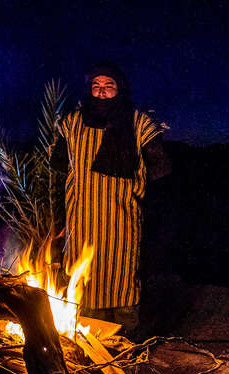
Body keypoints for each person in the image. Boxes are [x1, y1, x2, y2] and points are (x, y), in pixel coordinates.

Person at [51, 61, 171, 335]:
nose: (102, 93)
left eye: (109, 87)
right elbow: (57, 167)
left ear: (120, 90)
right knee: (84, 281)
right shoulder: (71, 123)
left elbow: (161, 167)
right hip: (80, 220)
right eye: (96, 87)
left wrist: (135, 190)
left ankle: (123, 342)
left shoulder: (139, 122)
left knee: (122, 281)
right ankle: (84, 340)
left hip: (122, 221)